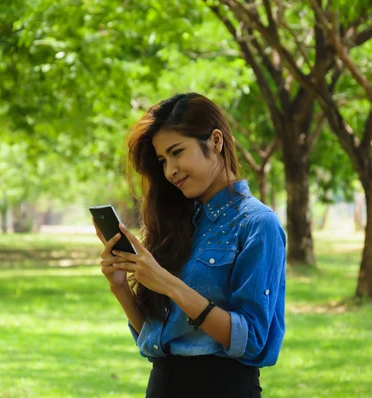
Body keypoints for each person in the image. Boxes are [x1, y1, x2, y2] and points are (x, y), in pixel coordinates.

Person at [92, 93, 286, 397]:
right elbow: (157, 338)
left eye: (177, 152)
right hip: (162, 385)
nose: (170, 170)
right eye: (162, 160)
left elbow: (250, 341)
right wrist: (120, 287)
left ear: (216, 141)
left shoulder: (258, 224)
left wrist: (168, 284)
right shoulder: (176, 225)